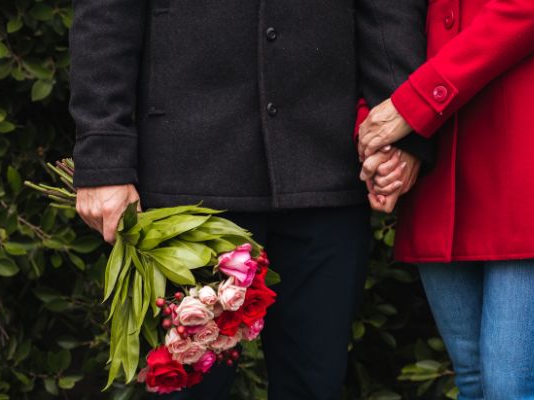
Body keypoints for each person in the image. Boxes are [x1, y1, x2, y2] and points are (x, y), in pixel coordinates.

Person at [67, 0, 429, 398]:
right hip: (186, 183)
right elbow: (107, 11)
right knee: (189, 392)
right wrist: (103, 158)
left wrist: (402, 124)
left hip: (325, 167)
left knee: (315, 384)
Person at [357, 0, 534, 398]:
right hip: (441, 164)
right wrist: (381, 132)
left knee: (512, 387)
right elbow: (386, 18)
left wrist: (413, 105)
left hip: (531, 150)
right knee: (474, 382)